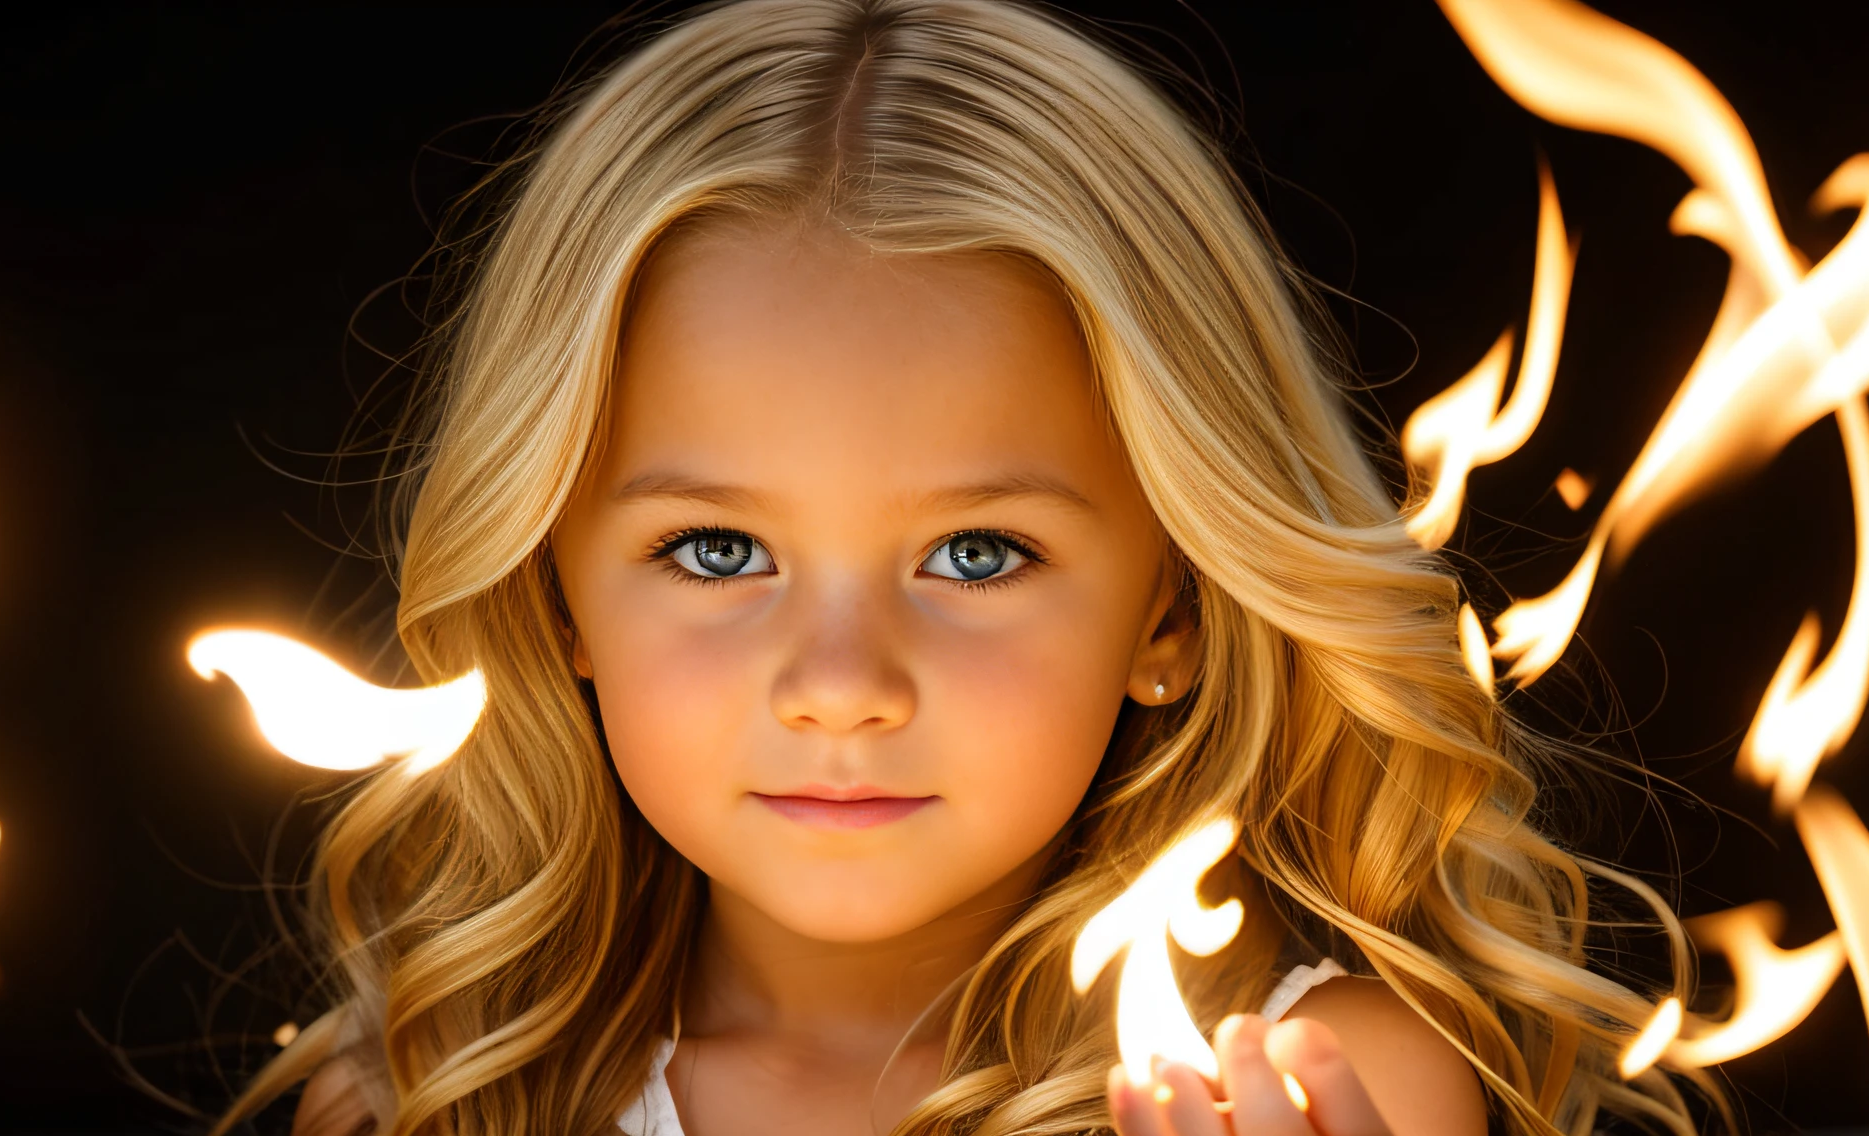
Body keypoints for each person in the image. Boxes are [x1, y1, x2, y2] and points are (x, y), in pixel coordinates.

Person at [217, 2, 1706, 1134]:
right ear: (557, 596)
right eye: (717, 550)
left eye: (978, 553)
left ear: (1170, 609)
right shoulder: (432, 1090)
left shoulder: (1304, 1090)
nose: (842, 688)